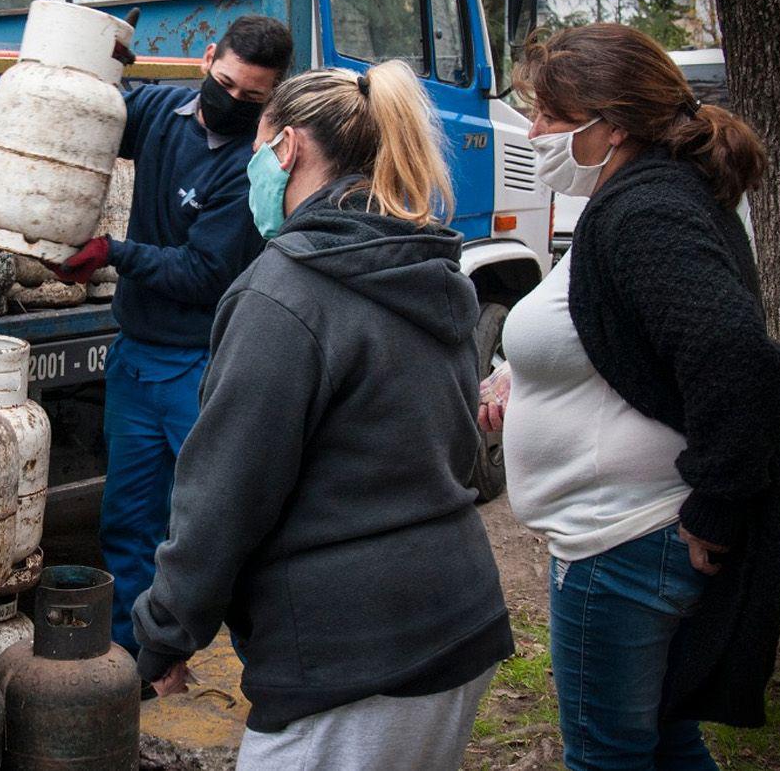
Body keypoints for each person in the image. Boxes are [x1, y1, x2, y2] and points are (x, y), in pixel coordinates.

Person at [130, 61, 514, 771]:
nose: (251, 172)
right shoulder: (429, 265)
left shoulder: (284, 292)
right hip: (460, 621)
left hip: (351, 657)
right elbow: (455, 446)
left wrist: (164, 633)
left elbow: (224, 494)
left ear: (288, 149)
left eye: (256, 152)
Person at [479, 23, 780, 771]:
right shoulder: (639, 194)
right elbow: (623, 324)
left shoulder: (647, 212)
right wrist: (527, 373)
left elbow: (738, 358)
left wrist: (716, 504)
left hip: (624, 538)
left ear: (612, 125)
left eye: (550, 116)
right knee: (666, 740)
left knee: (607, 755)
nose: (533, 132)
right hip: (634, 533)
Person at [53, 15, 293, 668]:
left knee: (214, 526)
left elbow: (203, 273)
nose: (232, 102)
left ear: (272, 95)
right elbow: (93, 117)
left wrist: (112, 252)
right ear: (207, 58)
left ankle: (265, 663)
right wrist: (91, 70)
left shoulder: (251, 168)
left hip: (201, 364)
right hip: (136, 358)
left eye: (252, 97)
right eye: (226, 83)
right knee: (127, 520)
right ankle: (143, 661)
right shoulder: (161, 110)